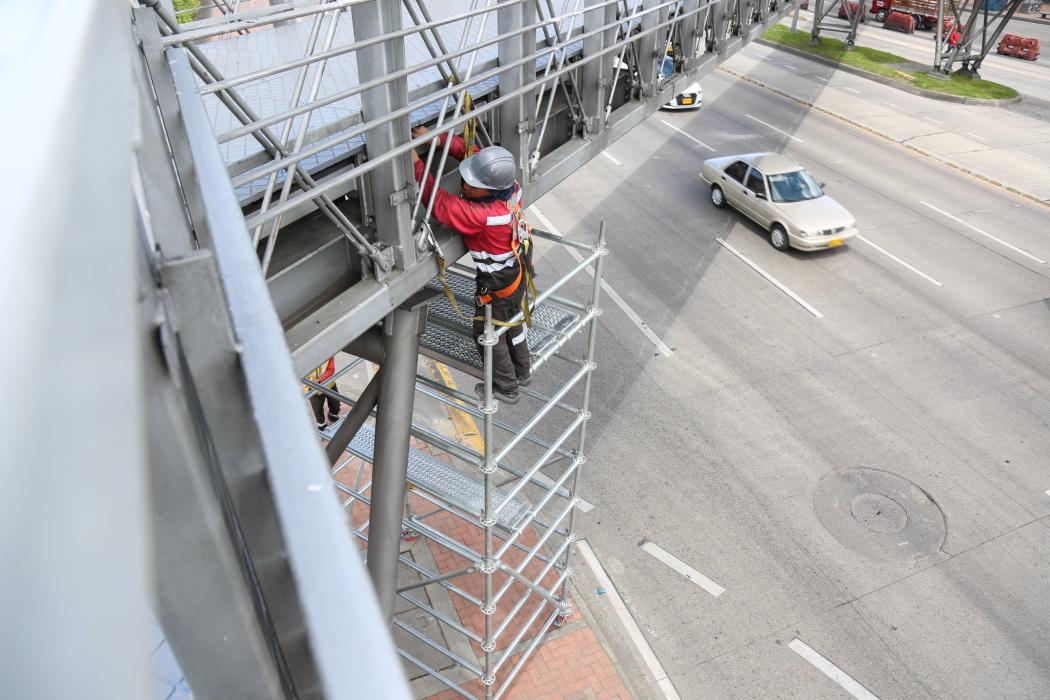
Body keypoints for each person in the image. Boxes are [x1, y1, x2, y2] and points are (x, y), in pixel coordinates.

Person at [411, 125, 534, 405]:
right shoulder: (509, 187)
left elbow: (441, 204)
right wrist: (438, 138)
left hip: (498, 281)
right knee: (512, 322)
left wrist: (416, 165)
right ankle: (523, 371)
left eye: (471, 185)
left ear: (488, 191)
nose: (464, 186)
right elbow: (476, 156)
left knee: (487, 331)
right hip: (515, 271)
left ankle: (506, 386)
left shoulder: (484, 217)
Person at [305, 356, 340, 430]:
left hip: (329, 384)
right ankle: (322, 426)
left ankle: (332, 417)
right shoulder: (305, 357)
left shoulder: (327, 352)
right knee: (318, 410)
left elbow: (331, 369)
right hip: (313, 388)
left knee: (335, 403)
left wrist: (319, 380)